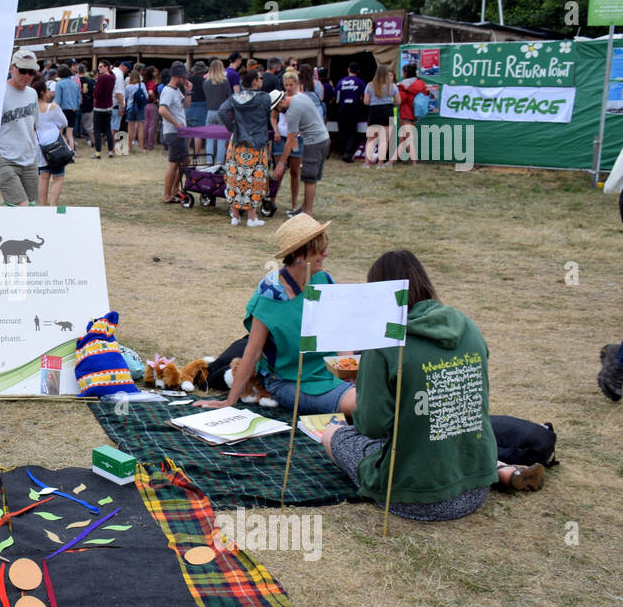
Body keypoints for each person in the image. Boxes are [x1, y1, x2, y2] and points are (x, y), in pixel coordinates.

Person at [320, 250, 526, 521]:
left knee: (334, 435)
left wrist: (368, 386)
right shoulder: (468, 326)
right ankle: (504, 471)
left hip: (416, 496)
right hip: (477, 487)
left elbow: (370, 425)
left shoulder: (384, 341)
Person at [196, 215, 356, 416]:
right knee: (362, 404)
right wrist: (230, 400)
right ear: (300, 255)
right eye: (320, 250)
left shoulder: (324, 279)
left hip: (329, 370)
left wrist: (349, 372)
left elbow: (339, 334)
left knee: (379, 387)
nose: (326, 254)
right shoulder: (270, 294)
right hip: (290, 382)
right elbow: (253, 352)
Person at [217, 69, 272, 227]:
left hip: (238, 142)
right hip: (257, 142)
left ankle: (235, 216)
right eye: (260, 78)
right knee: (255, 178)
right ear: (254, 81)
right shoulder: (264, 98)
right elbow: (268, 116)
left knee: (235, 177)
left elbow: (222, 111)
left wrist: (233, 127)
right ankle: (251, 217)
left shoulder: (235, 98)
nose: (261, 80)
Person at [273, 70, 331, 218]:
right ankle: (304, 207)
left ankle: (308, 211)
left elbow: (290, 141)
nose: (279, 112)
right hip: (321, 139)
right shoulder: (301, 97)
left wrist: (281, 163)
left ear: (281, 102)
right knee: (308, 176)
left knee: (309, 178)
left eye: (277, 109)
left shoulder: (292, 112)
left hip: (315, 142)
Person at [0, 49, 41, 208]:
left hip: (29, 160)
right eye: (22, 70)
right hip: (5, 159)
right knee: (22, 205)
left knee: (32, 207)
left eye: (31, 72)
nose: (26, 76)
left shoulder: (32, 94)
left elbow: (33, 125)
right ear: (12, 68)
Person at [34, 78, 72, 206]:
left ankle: (43, 205)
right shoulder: (52, 107)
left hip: (40, 146)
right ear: (43, 92)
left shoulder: (31, 110)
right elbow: (64, 123)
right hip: (55, 144)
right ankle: (53, 205)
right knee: (58, 177)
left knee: (43, 177)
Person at [157, 62, 191, 204]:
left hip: (179, 133)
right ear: (178, 77)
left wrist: (188, 90)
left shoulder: (177, 90)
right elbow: (162, 110)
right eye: (184, 77)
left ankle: (174, 189)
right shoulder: (168, 91)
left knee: (184, 161)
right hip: (174, 133)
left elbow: (186, 106)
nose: (186, 80)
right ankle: (168, 194)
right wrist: (177, 124)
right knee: (175, 163)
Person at [390, 64, 429, 164]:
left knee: (407, 138)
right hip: (416, 113)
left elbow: (401, 100)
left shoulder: (403, 85)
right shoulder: (420, 83)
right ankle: (395, 159)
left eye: (402, 71)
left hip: (405, 113)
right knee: (403, 138)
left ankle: (414, 162)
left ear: (406, 73)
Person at [363, 65, 399, 167]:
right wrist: (391, 104)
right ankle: (380, 164)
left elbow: (366, 101)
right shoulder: (393, 86)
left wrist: (374, 101)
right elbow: (398, 101)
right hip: (387, 111)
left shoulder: (370, 85)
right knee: (385, 139)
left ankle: (366, 163)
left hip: (374, 112)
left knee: (370, 139)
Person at [335, 63, 367, 162]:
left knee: (342, 131)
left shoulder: (341, 82)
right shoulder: (361, 82)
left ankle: (343, 151)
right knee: (352, 132)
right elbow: (363, 97)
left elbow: (337, 98)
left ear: (348, 69)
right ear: (358, 71)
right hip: (354, 109)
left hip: (342, 109)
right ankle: (348, 153)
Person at [92, 61, 116, 157]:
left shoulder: (101, 78)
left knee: (97, 131)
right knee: (108, 130)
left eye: (101, 67)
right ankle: (110, 151)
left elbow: (97, 93)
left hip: (99, 107)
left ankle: (98, 153)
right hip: (108, 106)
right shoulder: (113, 77)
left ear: (106, 67)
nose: (99, 69)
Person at [53, 64, 79, 146]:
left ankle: (63, 149)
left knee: (60, 132)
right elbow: (78, 99)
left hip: (63, 110)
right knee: (70, 133)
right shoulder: (75, 83)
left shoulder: (59, 84)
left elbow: (57, 100)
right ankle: (72, 151)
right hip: (74, 110)